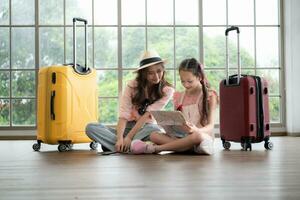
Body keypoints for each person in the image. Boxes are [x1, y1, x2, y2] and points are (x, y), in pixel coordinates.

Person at [85, 50, 174, 153]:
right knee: (90, 128)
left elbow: (146, 116)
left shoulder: (167, 90)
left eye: (159, 71)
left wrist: (128, 138)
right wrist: (119, 139)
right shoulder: (132, 86)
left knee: (154, 131)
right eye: (151, 73)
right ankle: (130, 147)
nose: (156, 76)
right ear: (144, 74)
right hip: (127, 126)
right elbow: (124, 116)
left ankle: (121, 146)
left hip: (146, 127)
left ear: (163, 70)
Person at [130, 58, 218, 155]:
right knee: (154, 135)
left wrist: (196, 130)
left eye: (189, 81)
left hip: (202, 136)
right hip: (183, 136)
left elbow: (210, 126)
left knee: (196, 136)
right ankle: (186, 146)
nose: (186, 85)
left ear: (199, 77)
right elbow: (178, 122)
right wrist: (169, 126)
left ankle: (156, 148)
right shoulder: (179, 97)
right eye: (182, 81)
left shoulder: (210, 96)